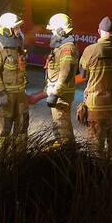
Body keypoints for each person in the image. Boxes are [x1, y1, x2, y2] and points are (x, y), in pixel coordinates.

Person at [78, 16, 112, 157]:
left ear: (99, 31)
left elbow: (83, 73)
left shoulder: (91, 50)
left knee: (95, 150)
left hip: (96, 108)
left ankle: (97, 176)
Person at [0, 12, 29, 150]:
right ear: (7, 29)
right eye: (16, 28)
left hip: (20, 95)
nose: (19, 31)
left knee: (22, 127)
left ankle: (20, 157)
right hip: (6, 96)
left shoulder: (18, 45)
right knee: (3, 130)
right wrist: (1, 93)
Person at [44, 13, 78, 145]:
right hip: (59, 94)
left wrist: (55, 93)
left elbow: (66, 73)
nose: (52, 33)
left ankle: (67, 153)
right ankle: (64, 150)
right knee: (59, 125)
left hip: (61, 95)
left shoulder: (67, 49)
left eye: (53, 30)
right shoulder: (61, 47)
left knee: (62, 126)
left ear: (60, 30)